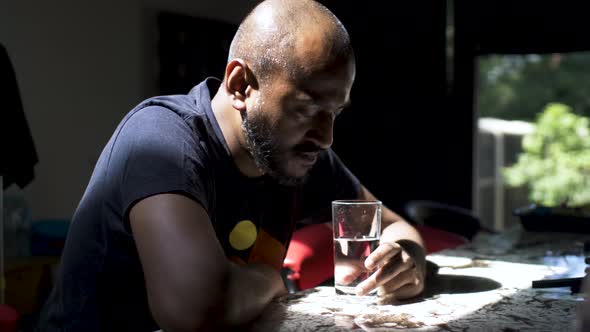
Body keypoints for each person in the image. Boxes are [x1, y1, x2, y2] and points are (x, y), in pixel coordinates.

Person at [37, 0, 427, 330]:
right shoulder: (159, 140)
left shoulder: (297, 153)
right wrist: (275, 280)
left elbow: (396, 226)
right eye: (307, 108)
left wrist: (404, 259)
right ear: (241, 84)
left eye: (335, 112)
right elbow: (196, 310)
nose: (325, 137)